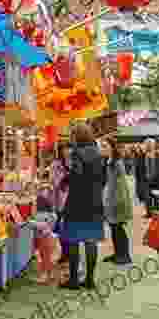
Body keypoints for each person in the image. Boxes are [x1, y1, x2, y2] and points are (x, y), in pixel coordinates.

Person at [59, 123, 105, 290]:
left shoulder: (76, 153)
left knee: (73, 240)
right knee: (90, 240)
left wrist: (65, 180)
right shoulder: (98, 153)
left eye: (72, 135)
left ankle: (73, 280)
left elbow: (76, 176)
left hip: (78, 202)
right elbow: (102, 179)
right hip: (95, 201)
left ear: (77, 136)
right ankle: (90, 279)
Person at [99, 136, 133, 265]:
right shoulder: (110, 161)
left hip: (117, 201)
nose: (102, 149)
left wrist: (113, 202)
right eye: (101, 146)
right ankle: (118, 253)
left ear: (112, 147)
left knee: (118, 228)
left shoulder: (116, 163)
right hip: (112, 200)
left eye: (105, 146)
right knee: (114, 228)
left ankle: (124, 255)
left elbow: (119, 186)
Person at [51, 142, 70, 264]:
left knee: (67, 229)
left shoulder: (72, 163)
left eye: (69, 149)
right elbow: (55, 182)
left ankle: (68, 253)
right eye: (65, 149)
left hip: (71, 201)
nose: (67, 151)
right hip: (60, 201)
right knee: (60, 229)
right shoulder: (56, 164)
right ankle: (65, 253)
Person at [144, 139, 159, 217]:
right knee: (148, 197)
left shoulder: (158, 154)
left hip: (156, 178)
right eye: (147, 144)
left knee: (155, 197)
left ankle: (155, 212)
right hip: (148, 178)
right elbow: (146, 167)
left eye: (150, 144)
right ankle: (149, 212)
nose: (149, 146)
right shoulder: (146, 155)